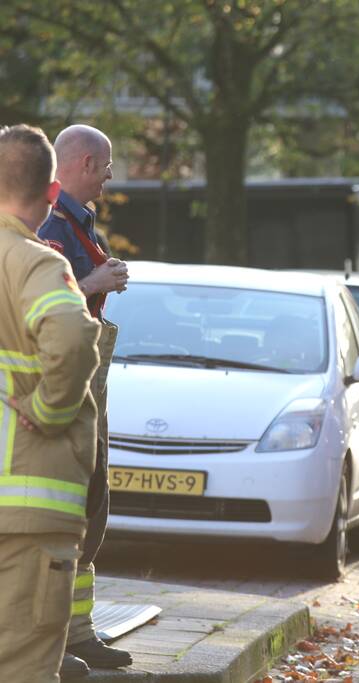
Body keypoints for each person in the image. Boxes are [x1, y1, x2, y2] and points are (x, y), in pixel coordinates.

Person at [0, 124, 100, 681]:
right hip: (27, 516)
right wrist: (49, 411)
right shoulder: (34, 262)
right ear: (50, 191)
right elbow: (70, 333)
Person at [38, 124, 132, 677]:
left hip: (85, 386)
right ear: (86, 163)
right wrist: (94, 280)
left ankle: (79, 632)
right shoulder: (52, 226)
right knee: (73, 510)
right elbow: (48, 296)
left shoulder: (76, 222)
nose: (112, 175)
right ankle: (55, 641)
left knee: (92, 508)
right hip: (69, 390)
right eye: (108, 165)